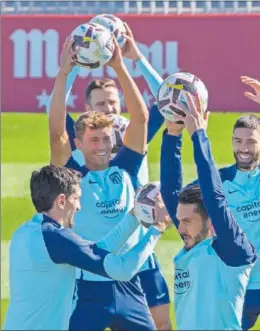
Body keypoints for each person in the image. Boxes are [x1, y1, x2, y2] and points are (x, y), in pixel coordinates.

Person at [158, 74, 260, 330]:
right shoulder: (218, 181)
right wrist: (173, 136)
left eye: (251, 141)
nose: (243, 148)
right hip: (235, 286)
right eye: (237, 141)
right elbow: (174, 198)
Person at [46, 23, 172, 329]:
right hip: (86, 286)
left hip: (128, 284)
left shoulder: (125, 166)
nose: (103, 146)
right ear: (78, 143)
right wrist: (64, 74)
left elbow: (142, 118)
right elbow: (55, 131)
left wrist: (119, 65)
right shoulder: (70, 173)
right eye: (94, 140)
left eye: (106, 139)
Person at [3, 165, 171, 330]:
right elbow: (123, 269)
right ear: (61, 201)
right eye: (76, 198)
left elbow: (99, 249)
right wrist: (158, 228)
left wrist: (135, 215)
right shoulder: (56, 239)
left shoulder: (26, 232)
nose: (79, 207)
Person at [159, 91, 257, 329]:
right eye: (180, 221)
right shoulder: (192, 245)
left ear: (209, 220)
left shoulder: (233, 251)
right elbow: (171, 194)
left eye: (187, 221)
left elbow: (215, 198)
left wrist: (198, 135)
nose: (179, 228)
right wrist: (172, 135)